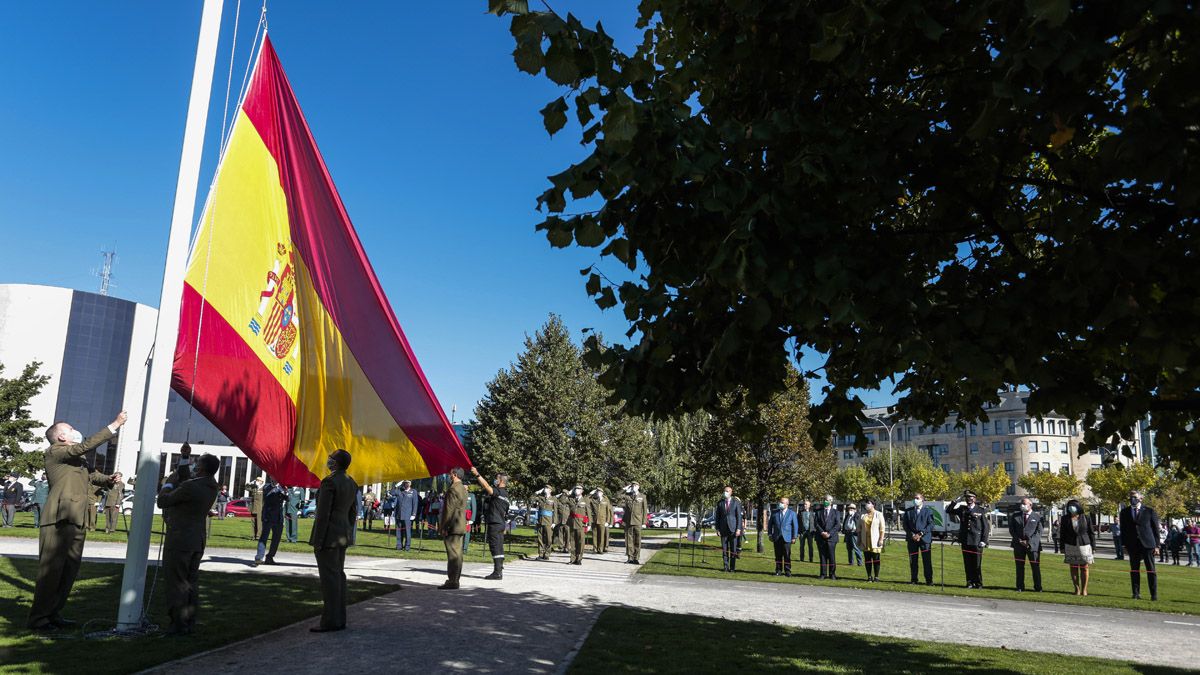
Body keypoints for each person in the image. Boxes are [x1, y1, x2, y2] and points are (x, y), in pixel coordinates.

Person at [27, 411, 127, 631]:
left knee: (68, 571)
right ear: (61, 437)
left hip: (77, 517)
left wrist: (109, 479)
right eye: (70, 429)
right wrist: (114, 425)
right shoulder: (56, 451)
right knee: (51, 571)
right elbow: (83, 447)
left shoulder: (76, 458)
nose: (75, 431)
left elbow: (92, 475)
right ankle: (39, 619)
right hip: (59, 518)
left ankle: (53, 613)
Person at [156, 453, 220, 635]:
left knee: (176, 584)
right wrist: (184, 458)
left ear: (200, 468)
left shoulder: (191, 486)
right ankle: (189, 622)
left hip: (180, 539)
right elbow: (186, 478)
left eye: (196, 464)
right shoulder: (211, 485)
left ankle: (178, 625)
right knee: (190, 584)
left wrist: (167, 483)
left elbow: (163, 501)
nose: (194, 467)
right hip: (196, 540)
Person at [310, 450, 358, 632]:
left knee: (329, 580)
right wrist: (347, 532)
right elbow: (353, 513)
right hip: (342, 535)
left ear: (335, 462)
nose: (328, 460)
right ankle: (339, 619)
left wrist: (319, 539)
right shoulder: (351, 482)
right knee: (338, 577)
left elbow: (323, 514)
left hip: (328, 536)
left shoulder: (330, 482)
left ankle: (330, 621)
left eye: (331, 458)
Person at [1119, 489, 1161, 601]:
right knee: (1134, 570)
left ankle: (1153, 594)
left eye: (1135, 497)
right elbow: (1123, 530)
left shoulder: (1149, 511)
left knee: (1151, 570)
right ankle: (1136, 593)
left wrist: (1157, 545)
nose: (1133, 499)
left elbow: (1155, 529)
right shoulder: (1124, 512)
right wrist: (1123, 545)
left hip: (1148, 544)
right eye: (1131, 497)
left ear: (1141, 498)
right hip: (1133, 545)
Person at [471, 467, 510, 580]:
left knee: (494, 546)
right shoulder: (506, 495)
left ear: (501, 481)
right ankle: (499, 568)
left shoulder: (498, 492)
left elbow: (487, 487)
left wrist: (477, 474)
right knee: (499, 546)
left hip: (495, 523)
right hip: (500, 523)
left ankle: (497, 572)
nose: (495, 480)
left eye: (496, 479)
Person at [948, 490, 990, 589]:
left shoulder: (980, 510)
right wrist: (955, 501)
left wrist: (984, 540)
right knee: (967, 564)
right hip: (965, 540)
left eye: (971, 498)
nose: (969, 499)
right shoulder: (962, 509)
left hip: (976, 541)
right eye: (967, 498)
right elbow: (949, 510)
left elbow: (985, 527)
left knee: (977, 564)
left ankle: (978, 583)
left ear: (974, 499)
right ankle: (969, 582)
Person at [439, 468, 468, 589]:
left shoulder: (453, 489)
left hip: (453, 525)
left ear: (455, 475)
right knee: (458, 553)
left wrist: (444, 526)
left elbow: (448, 510)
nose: (449, 475)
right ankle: (455, 579)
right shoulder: (463, 488)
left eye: (450, 473)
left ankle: (452, 581)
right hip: (460, 524)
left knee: (453, 555)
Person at [1060, 499, 1095, 596]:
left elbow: (1091, 533)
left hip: (1084, 545)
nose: (1071, 507)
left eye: (1073, 505)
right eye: (1069, 506)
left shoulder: (1086, 517)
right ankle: (1077, 589)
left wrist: (1094, 546)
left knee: (1084, 567)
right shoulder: (1065, 518)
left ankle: (1084, 589)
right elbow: (1062, 534)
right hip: (1070, 544)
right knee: (1073, 567)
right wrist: (1062, 547)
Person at [1009, 497, 1042, 592]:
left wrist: (1029, 542)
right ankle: (1020, 586)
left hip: (1033, 546)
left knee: (1035, 567)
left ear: (1030, 505)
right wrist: (1019, 540)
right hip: (1018, 545)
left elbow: (1039, 532)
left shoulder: (1037, 517)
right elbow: (1012, 530)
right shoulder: (1015, 516)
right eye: (1021, 504)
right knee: (1019, 566)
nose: (1022, 505)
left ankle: (1038, 587)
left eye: (1024, 504)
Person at [902, 493, 934, 585]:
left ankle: (929, 580)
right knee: (913, 560)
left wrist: (920, 534)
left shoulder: (928, 511)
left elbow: (931, 525)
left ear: (922, 500)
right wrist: (912, 534)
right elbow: (905, 525)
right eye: (914, 498)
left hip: (925, 539)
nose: (915, 500)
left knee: (927, 561)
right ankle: (914, 579)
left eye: (917, 498)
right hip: (912, 539)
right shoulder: (908, 511)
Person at [254, 478, 287, 566]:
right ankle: (259, 558)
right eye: (273, 477)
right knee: (264, 537)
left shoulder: (282, 487)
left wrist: (286, 492)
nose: (275, 479)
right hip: (268, 516)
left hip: (278, 517)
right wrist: (281, 491)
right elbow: (270, 496)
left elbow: (288, 499)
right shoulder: (267, 487)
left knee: (276, 538)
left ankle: (270, 557)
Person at [714, 486, 745, 572]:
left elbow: (739, 516)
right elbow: (717, 517)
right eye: (725, 491)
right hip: (723, 529)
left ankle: (732, 567)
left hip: (733, 529)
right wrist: (717, 529)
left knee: (733, 550)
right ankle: (725, 566)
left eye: (727, 491)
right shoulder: (720, 503)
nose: (726, 492)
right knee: (724, 550)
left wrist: (739, 529)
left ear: (731, 492)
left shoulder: (736, 503)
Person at [618, 482, 649, 564]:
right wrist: (624, 489)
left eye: (635, 486)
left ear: (638, 487)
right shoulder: (628, 496)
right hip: (628, 522)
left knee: (637, 541)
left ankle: (636, 558)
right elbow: (618, 496)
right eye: (632, 486)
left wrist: (644, 522)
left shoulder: (642, 496)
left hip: (638, 521)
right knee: (629, 541)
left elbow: (645, 510)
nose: (633, 487)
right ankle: (630, 558)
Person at [767, 497, 798, 576]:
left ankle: (787, 571)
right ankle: (778, 570)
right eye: (780, 502)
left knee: (787, 555)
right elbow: (770, 524)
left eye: (782, 502)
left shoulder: (792, 513)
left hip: (787, 537)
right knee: (778, 555)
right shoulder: (775, 512)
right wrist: (770, 534)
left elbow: (795, 526)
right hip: (777, 537)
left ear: (787, 504)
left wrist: (794, 537)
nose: (780, 504)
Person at [814, 495, 841, 580]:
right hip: (821, 537)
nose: (825, 501)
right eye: (824, 499)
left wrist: (829, 533)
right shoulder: (818, 512)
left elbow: (837, 525)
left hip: (831, 538)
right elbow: (816, 523)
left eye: (827, 500)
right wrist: (822, 532)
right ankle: (823, 574)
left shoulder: (836, 512)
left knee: (831, 556)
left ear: (831, 501)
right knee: (822, 556)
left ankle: (832, 574)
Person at [861, 499, 886, 582]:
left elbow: (882, 528)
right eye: (866, 503)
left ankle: (876, 576)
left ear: (873, 505)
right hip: (866, 540)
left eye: (868, 503)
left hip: (875, 540)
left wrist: (881, 539)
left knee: (876, 559)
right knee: (867, 559)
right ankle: (869, 576)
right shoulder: (863, 515)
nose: (866, 505)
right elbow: (859, 528)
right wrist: (859, 539)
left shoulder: (879, 514)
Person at [565, 485, 589, 565]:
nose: (577, 490)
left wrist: (589, 524)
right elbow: (562, 501)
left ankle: (579, 559)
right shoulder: (571, 499)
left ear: (582, 491)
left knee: (580, 542)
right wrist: (569, 492)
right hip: (572, 523)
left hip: (581, 523)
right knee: (572, 542)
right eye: (576, 489)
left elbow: (588, 512)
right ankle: (572, 559)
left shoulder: (585, 500)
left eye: (579, 489)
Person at [531, 485, 556, 560]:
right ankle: (541, 554)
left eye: (547, 488)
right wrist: (537, 492)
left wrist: (554, 522)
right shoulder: (540, 498)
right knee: (540, 538)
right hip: (540, 520)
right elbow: (531, 499)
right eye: (545, 488)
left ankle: (547, 554)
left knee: (548, 539)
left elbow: (555, 511)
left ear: (550, 490)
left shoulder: (553, 499)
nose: (545, 489)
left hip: (549, 521)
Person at [395, 480, 419, 551]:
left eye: (408, 483)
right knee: (398, 531)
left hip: (408, 515)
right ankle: (399, 546)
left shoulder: (413, 492)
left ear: (410, 483)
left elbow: (415, 503)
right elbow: (392, 492)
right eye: (405, 483)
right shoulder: (400, 490)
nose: (406, 484)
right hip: (399, 514)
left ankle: (407, 546)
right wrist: (396, 485)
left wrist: (414, 514)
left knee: (407, 531)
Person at [589, 487, 613, 554]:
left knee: (601, 535)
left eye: (599, 492)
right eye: (597, 492)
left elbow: (608, 511)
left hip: (602, 520)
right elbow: (586, 501)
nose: (598, 493)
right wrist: (590, 494)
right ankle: (595, 548)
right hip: (594, 520)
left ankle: (600, 549)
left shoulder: (605, 500)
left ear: (602, 493)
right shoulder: (593, 500)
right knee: (594, 535)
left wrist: (608, 521)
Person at [463, 488, 476, 553]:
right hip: (459, 516)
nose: (464, 487)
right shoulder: (459, 494)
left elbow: (474, 507)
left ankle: (465, 549)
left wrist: (472, 519)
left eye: (466, 486)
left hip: (467, 517)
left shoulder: (471, 495)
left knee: (467, 533)